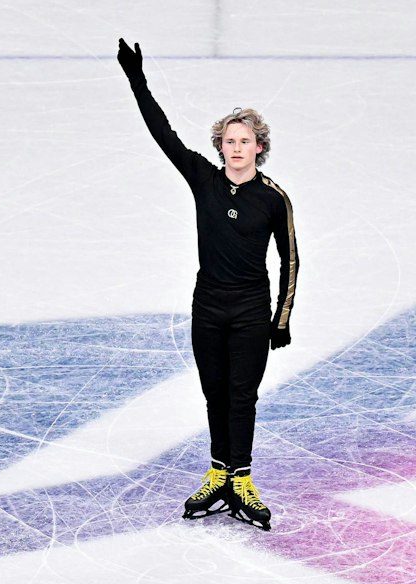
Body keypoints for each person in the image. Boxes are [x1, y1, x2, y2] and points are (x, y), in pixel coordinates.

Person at [116, 38, 297, 531]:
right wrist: (139, 81)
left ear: (259, 146)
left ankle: (242, 478)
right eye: (229, 141)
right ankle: (219, 474)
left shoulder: (273, 198)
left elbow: (291, 260)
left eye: (245, 141)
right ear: (221, 146)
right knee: (215, 393)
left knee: (243, 395)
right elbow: (164, 135)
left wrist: (280, 319)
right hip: (208, 306)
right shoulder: (204, 179)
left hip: (251, 311)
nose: (237, 149)